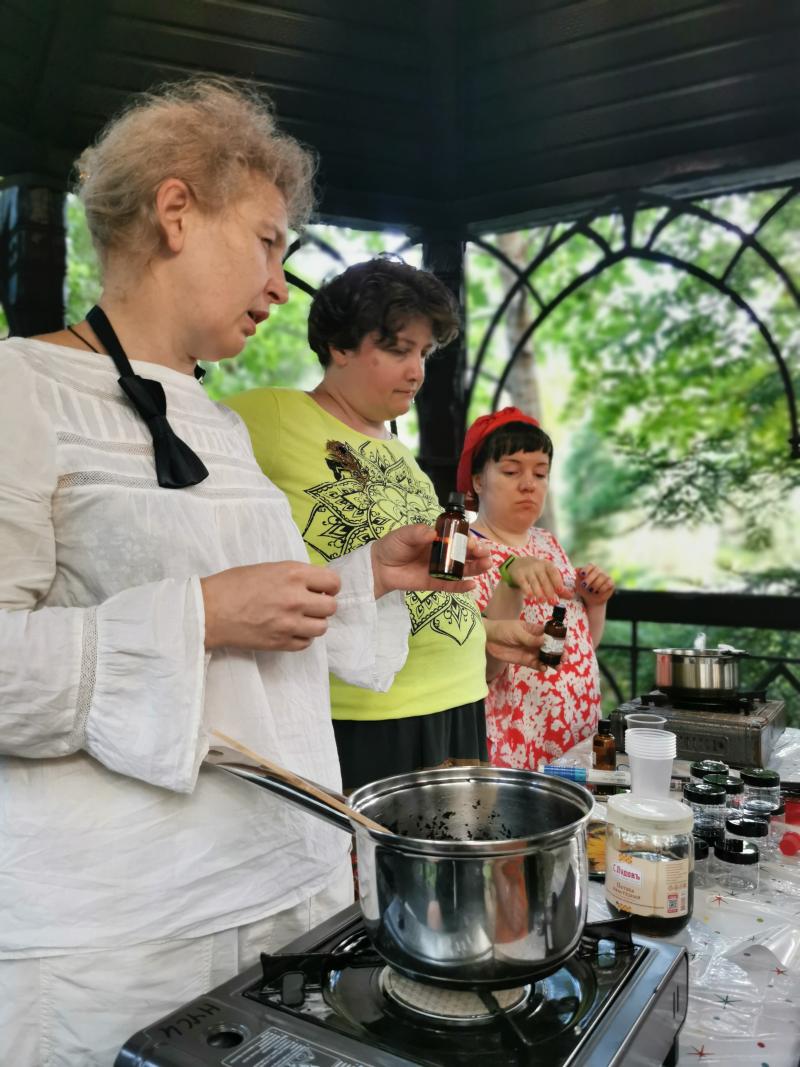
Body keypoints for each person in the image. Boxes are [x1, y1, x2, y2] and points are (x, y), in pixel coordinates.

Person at [0, 78, 490, 1066]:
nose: (279, 285)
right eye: (268, 242)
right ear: (175, 211)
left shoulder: (218, 424)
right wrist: (199, 615)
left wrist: (367, 574)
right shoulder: (21, 390)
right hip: (121, 933)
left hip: (284, 896)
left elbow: (261, 628)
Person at [229, 259, 542, 790]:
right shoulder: (271, 415)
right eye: (398, 350)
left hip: (461, 702)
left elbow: (416, 595)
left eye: (424, 353)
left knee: (461, 850)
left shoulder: (401, 454)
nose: (417, 371)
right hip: (366, 716)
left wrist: (488, 634)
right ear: (340, 345)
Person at [457, 407, 615, 771]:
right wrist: (510, 581)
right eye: (511, 471)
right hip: (518, 742)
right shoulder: (468, 554)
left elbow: (580, 647)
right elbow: (484, 668)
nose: (529, 484)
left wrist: (596, 604)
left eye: (540, 473)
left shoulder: (548, 543)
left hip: (576, 735)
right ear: (478, 481)